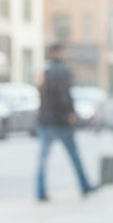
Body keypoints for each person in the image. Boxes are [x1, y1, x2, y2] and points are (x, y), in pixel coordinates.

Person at [35, 43, 96, 201]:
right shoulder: (61, 71)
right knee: (74, 156)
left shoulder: (45, 71)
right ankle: (84, 185)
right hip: (60, 121)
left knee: (42, 159)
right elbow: (64, 96)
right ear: (57, 52)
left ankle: (40, 191)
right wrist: (70, 113)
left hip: (46, 121)